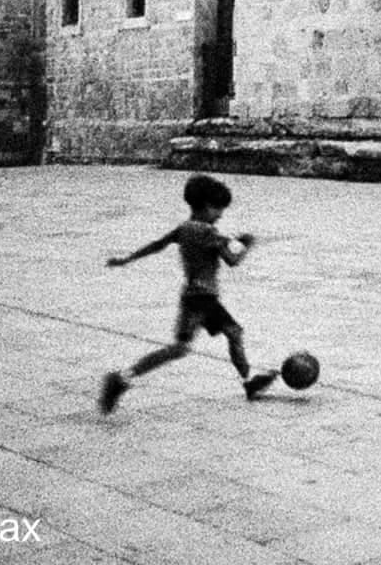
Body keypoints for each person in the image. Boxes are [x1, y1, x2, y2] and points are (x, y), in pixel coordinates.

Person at [99, 174, 277, 413]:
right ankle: (249, 384)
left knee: (186, 346)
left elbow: (157, 245)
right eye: (218, 209)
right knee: (228, 334)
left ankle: (124, 377)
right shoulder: (209, 232)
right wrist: (246, 245)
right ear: (206, 206)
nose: (220, 215)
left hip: (193, 296)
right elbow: (232, 260)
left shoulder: (183, 229)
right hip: (204, 298)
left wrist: (127, 259)